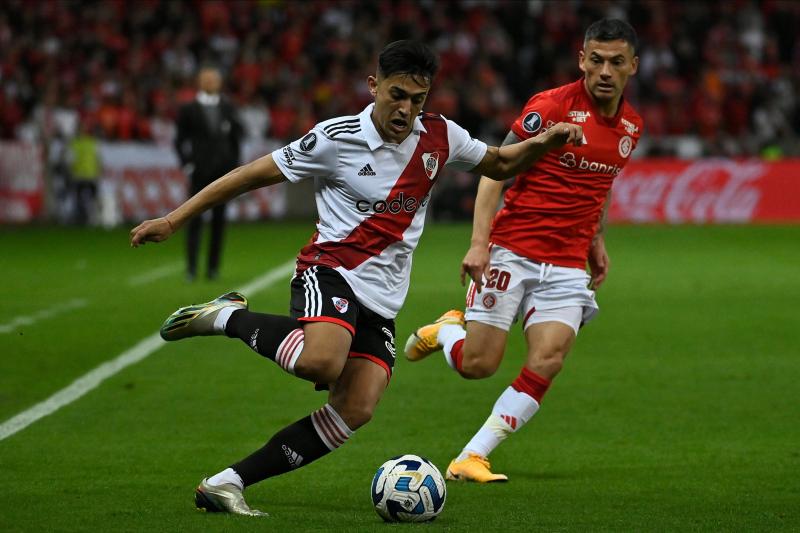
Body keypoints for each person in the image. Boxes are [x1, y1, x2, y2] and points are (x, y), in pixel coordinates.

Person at [130, 40, 583, 516]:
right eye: (397, 95)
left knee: (357, 408)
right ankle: (228, 317)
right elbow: (249, 175)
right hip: (331, 271)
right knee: (322, 363)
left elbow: (501, 162)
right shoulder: (335, 138)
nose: (406, 109)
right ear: (373, 87)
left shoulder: (441, 137)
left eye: (417, 99)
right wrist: (174, 219)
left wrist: (542, 144)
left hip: (383, 300)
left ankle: (228, 482)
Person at [404, 19, 644, 483]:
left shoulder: (632, 125)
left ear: (633, 66)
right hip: (512, 250)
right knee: (478, 365)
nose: (606, 71)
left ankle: (472, 456)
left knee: (549, 357)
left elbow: (602, 182)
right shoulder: (551, 106)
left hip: (569, 262)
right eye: (596, 60)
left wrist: (597, 240)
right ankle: (448, 331)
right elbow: (495, 170)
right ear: (582, 60)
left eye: (617, 62)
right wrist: (479, 244)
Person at [174, 65, 243, 281]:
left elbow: (236, 139)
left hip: (223, 172)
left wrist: (234, 166)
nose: (211, 83)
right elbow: (179, 140)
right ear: (200, 82)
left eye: (214, 79)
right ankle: (192, 268)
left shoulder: (228, 107)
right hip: (199, 171)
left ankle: (213, 268)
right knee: (193, 217)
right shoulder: (189, 109)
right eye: (207, 79)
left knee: (219, 220)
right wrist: (187, 164)